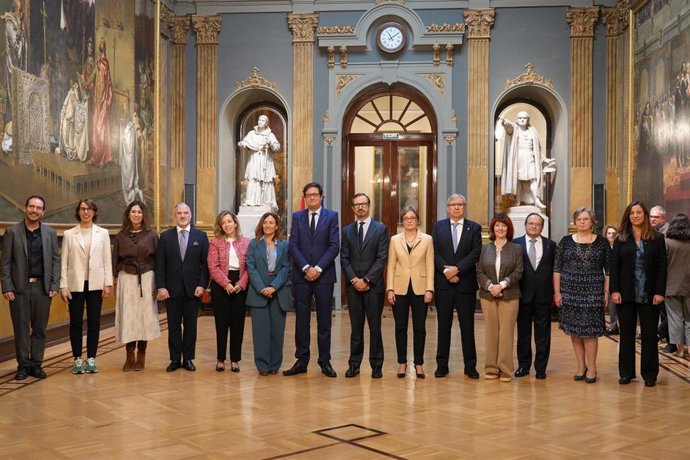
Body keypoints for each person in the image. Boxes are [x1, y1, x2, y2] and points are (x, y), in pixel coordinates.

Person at [1, 196, 60, 381]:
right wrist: (6, 287)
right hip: (19, 288)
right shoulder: (12, 232)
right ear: (25, 208)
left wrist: (54, 284)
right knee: (21, 328)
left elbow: (55, 261)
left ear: (43, 212)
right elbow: (5, 264)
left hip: (43, 288)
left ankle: (36, 365)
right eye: (31, 206)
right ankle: (23, 366)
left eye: (38, 208)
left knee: (40, 328)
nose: (34, 210)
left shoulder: (50, 233)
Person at [285, 182, 340, 377]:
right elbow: (293, 245)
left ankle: (325, 361)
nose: (312, 198)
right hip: (301, 276)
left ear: (321, 197)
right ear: (304, 197)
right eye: (308, 195)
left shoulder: (331, 217)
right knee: (302, 320)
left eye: (315, 195)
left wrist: (317, 268)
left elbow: (334, 246)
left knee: (324, 321)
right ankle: (302, 360)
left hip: (324, 276)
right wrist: (306, 268)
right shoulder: (297, 217)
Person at [610, 201, 667, 387]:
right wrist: (614, 290)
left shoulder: (657, 238)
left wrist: (660, 292)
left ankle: (650, 374)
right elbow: (614, 266)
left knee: (650, 334)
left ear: (645, 215)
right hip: (625, 293)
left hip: (649, 294)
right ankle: (626, 373)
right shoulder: (620, 238)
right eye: (632, 212)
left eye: (639, 212)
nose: (635, 215)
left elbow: (661, 267)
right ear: (628, 215)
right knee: (626, 334)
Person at [554, 207, 609, 384]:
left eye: (586, 219)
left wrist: (606, 292)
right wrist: (557, 292)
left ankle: (592, 367)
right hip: (570, 291)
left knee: (590, 332)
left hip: (594, 291)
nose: (582, 222)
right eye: (579, 219)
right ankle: (580, 366)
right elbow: (557, 269)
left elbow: (609, 270)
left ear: (593, 222)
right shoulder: (565, 242)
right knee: (575, 331)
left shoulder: (602, 242)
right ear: (574, 222)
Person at [59, 199, 113, 374]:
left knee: (94, 323)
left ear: (94, 212)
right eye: (82, 209)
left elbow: (107, 260)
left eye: (89, 209)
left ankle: (91, 358)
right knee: (75, 323)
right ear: (78, 212)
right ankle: (76, 359)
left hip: (96, 284)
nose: (86, 212)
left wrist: (108, 283)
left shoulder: (103, 233)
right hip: (75, 284)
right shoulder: (69, 234)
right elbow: (64, 263)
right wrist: (63, 285)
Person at [431, 194, 482, 379]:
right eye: (453, 204)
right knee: (443, 326)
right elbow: (434, 251)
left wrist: (457, 270)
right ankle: (441, 365)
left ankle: (470, 366)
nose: (456, 208)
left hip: (465, 284)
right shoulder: (438, 227)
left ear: (465, 207)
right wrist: (447, 272)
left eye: (460, 204)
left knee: (467, 327)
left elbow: (476, 252)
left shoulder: (474, 228)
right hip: (444, 284)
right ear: (447, 207)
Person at [156, 202, 210, 372]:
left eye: (185, 213)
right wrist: (161, 287)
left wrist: (202, 285)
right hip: (171, 290)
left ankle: (188, 358)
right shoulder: (165, 237)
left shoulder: (200, 236)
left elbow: (205, 265)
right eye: (179, 213)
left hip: (193, 289)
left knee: (190, 326)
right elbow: (160, 265)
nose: (182, 216)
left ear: (190, 215)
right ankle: (174, 359)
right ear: (175, 215)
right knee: (173, 326)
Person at [340, 193, 389, 379]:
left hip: (373, 286)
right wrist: (354, 279)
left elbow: (382, 257)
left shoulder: (381, 229)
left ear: (369, 206)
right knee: (356, 327)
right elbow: (344, 257)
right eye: (356, 205)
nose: (360, 207)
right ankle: (354, 364)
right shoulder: (347, 231)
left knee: (375, 327)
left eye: (363, 204)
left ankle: (377, 365)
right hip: (353, 287)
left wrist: (367, 280)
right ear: (353, 208)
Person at [386, 206, 434, 379]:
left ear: (417, 220)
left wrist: (430, 289)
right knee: (400, 327)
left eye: (412, 217)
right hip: (399, 288)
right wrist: (389, 288)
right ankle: (402, 363)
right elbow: (391, 265)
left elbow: (430, 265)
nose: (409, 220)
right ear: (402, 221)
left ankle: (419, 364)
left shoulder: (427, 239)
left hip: (421, 288)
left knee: (419, 328)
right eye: (406, 218)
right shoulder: (394, 240)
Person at [113, 200, 160, 371]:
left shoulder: (152, 235)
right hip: (127, 277)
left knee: (143, 317)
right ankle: (129, 355)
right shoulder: (121, 236)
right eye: (133, 212)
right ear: (128, 214)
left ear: (143, 215)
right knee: (129, 316)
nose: (136, 215)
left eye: (139, 212)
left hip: (147, 276)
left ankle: (141, 355)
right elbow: (115, 259)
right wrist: (115, 279)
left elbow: (158, 260)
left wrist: (158, 283)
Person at [476, 214, 523, 382]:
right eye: (497, 225)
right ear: (493, 228)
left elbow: (518, 271)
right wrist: (490, 287)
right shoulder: (484, 249)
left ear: (508, 229)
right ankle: (490, 368)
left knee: (506, 332)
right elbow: (479, 271)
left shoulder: (516, 248)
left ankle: (505, 369)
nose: (500, 228)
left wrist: (501, 285)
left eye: (504, 226)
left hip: (509, 295)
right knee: (491, 332)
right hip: (488, 296)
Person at [246, 212, 292, 375]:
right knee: (260, 332)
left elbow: (287, 267)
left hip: (278, 292)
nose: (268, 225)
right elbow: (250, 267)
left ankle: (274, 365)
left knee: (277, 331)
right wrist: (261, 288)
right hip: (258, 293)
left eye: (271, 223)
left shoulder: (285, 245)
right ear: (261, 225)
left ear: (277, 226)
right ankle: (263, 366)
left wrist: (273, 286)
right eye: (265, 223)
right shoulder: (253, 244)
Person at [513, 212, 556, 379]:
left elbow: (555, 270)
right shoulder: (515, 244)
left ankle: (541, 368)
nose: (533, 226)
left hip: (543, 296)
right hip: (522, 295)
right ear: (525, 225)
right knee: (523, 333)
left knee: (543, 334)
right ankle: (523, 366)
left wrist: (555, 293)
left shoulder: (551, 245)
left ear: (542, 227)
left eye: (537, 224)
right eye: (530, 223)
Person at [207, 211, 250, 372]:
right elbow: (212, 266)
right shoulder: (215, 243)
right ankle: (220, 359)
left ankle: (235, 360)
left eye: (229, 221)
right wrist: (226, 284)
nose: (227, 225)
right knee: (221, 324)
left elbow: (249, 267)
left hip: (240, 284)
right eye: (223, 222)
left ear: (235, 223)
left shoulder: (246, 242)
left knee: (238, 324)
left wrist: (241, 283)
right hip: (221, 286)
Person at [498, 111, 546, 209]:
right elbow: (509, 128)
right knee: (518, 180)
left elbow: (538, 148)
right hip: (518, 158)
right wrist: (505, 123)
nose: (522, 119)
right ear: (517, 120)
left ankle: (536, 200)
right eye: (520, 118)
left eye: (525, 118)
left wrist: (544, 159)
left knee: (534, 178)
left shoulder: (533, 131)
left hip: (530, 157)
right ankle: (517, 200)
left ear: (528, 120)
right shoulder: (515, 129)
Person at [238, 114, 281, 208]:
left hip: (265, 159)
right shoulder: (251, 133)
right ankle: (251, 201)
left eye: (262, 120)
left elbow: (276, 147)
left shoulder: (269, 135)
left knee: (267, 180)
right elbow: (245, 141)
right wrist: (243, 144)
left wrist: (270, 144)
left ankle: (267, 201)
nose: (260, 122)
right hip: (254, 159)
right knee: (253, 178)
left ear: (266, 123)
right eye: (259, 120)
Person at [664, 214, 690, 359]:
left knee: (675, 319)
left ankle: (680, 350)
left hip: (671, 286)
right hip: (689, 286)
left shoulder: (667, 243)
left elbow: (663, 266)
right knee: (689, 319)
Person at [86, 37, 113, 166]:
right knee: (95, 130)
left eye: (102, 44)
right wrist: (87, 83)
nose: (100, 45)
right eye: (100, 44)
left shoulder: (105, 63)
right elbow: (94, 75)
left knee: (100, 128)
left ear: (104, 47)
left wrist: (105, 99)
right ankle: (95, 157)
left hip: (102, 101)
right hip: (96, 101)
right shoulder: (98, 62)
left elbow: (106, 81)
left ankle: (102, 158)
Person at [650, 205, 672, 350]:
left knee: (668, 312)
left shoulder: (667, 233)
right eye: (651, 217)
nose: (652, 220)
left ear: (663, 218)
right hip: (656, 278)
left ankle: (668, 339)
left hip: (669, 278)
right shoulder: (653, 232)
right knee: (663, 312)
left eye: (656, 217)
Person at [602, 225, 620, 335]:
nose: (611, 235)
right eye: (609, 233)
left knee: (614, 304)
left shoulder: (618, 247)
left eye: (613, 233)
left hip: (615, 279)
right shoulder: (603, 248)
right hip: (603, 278)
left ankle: (614, 326)